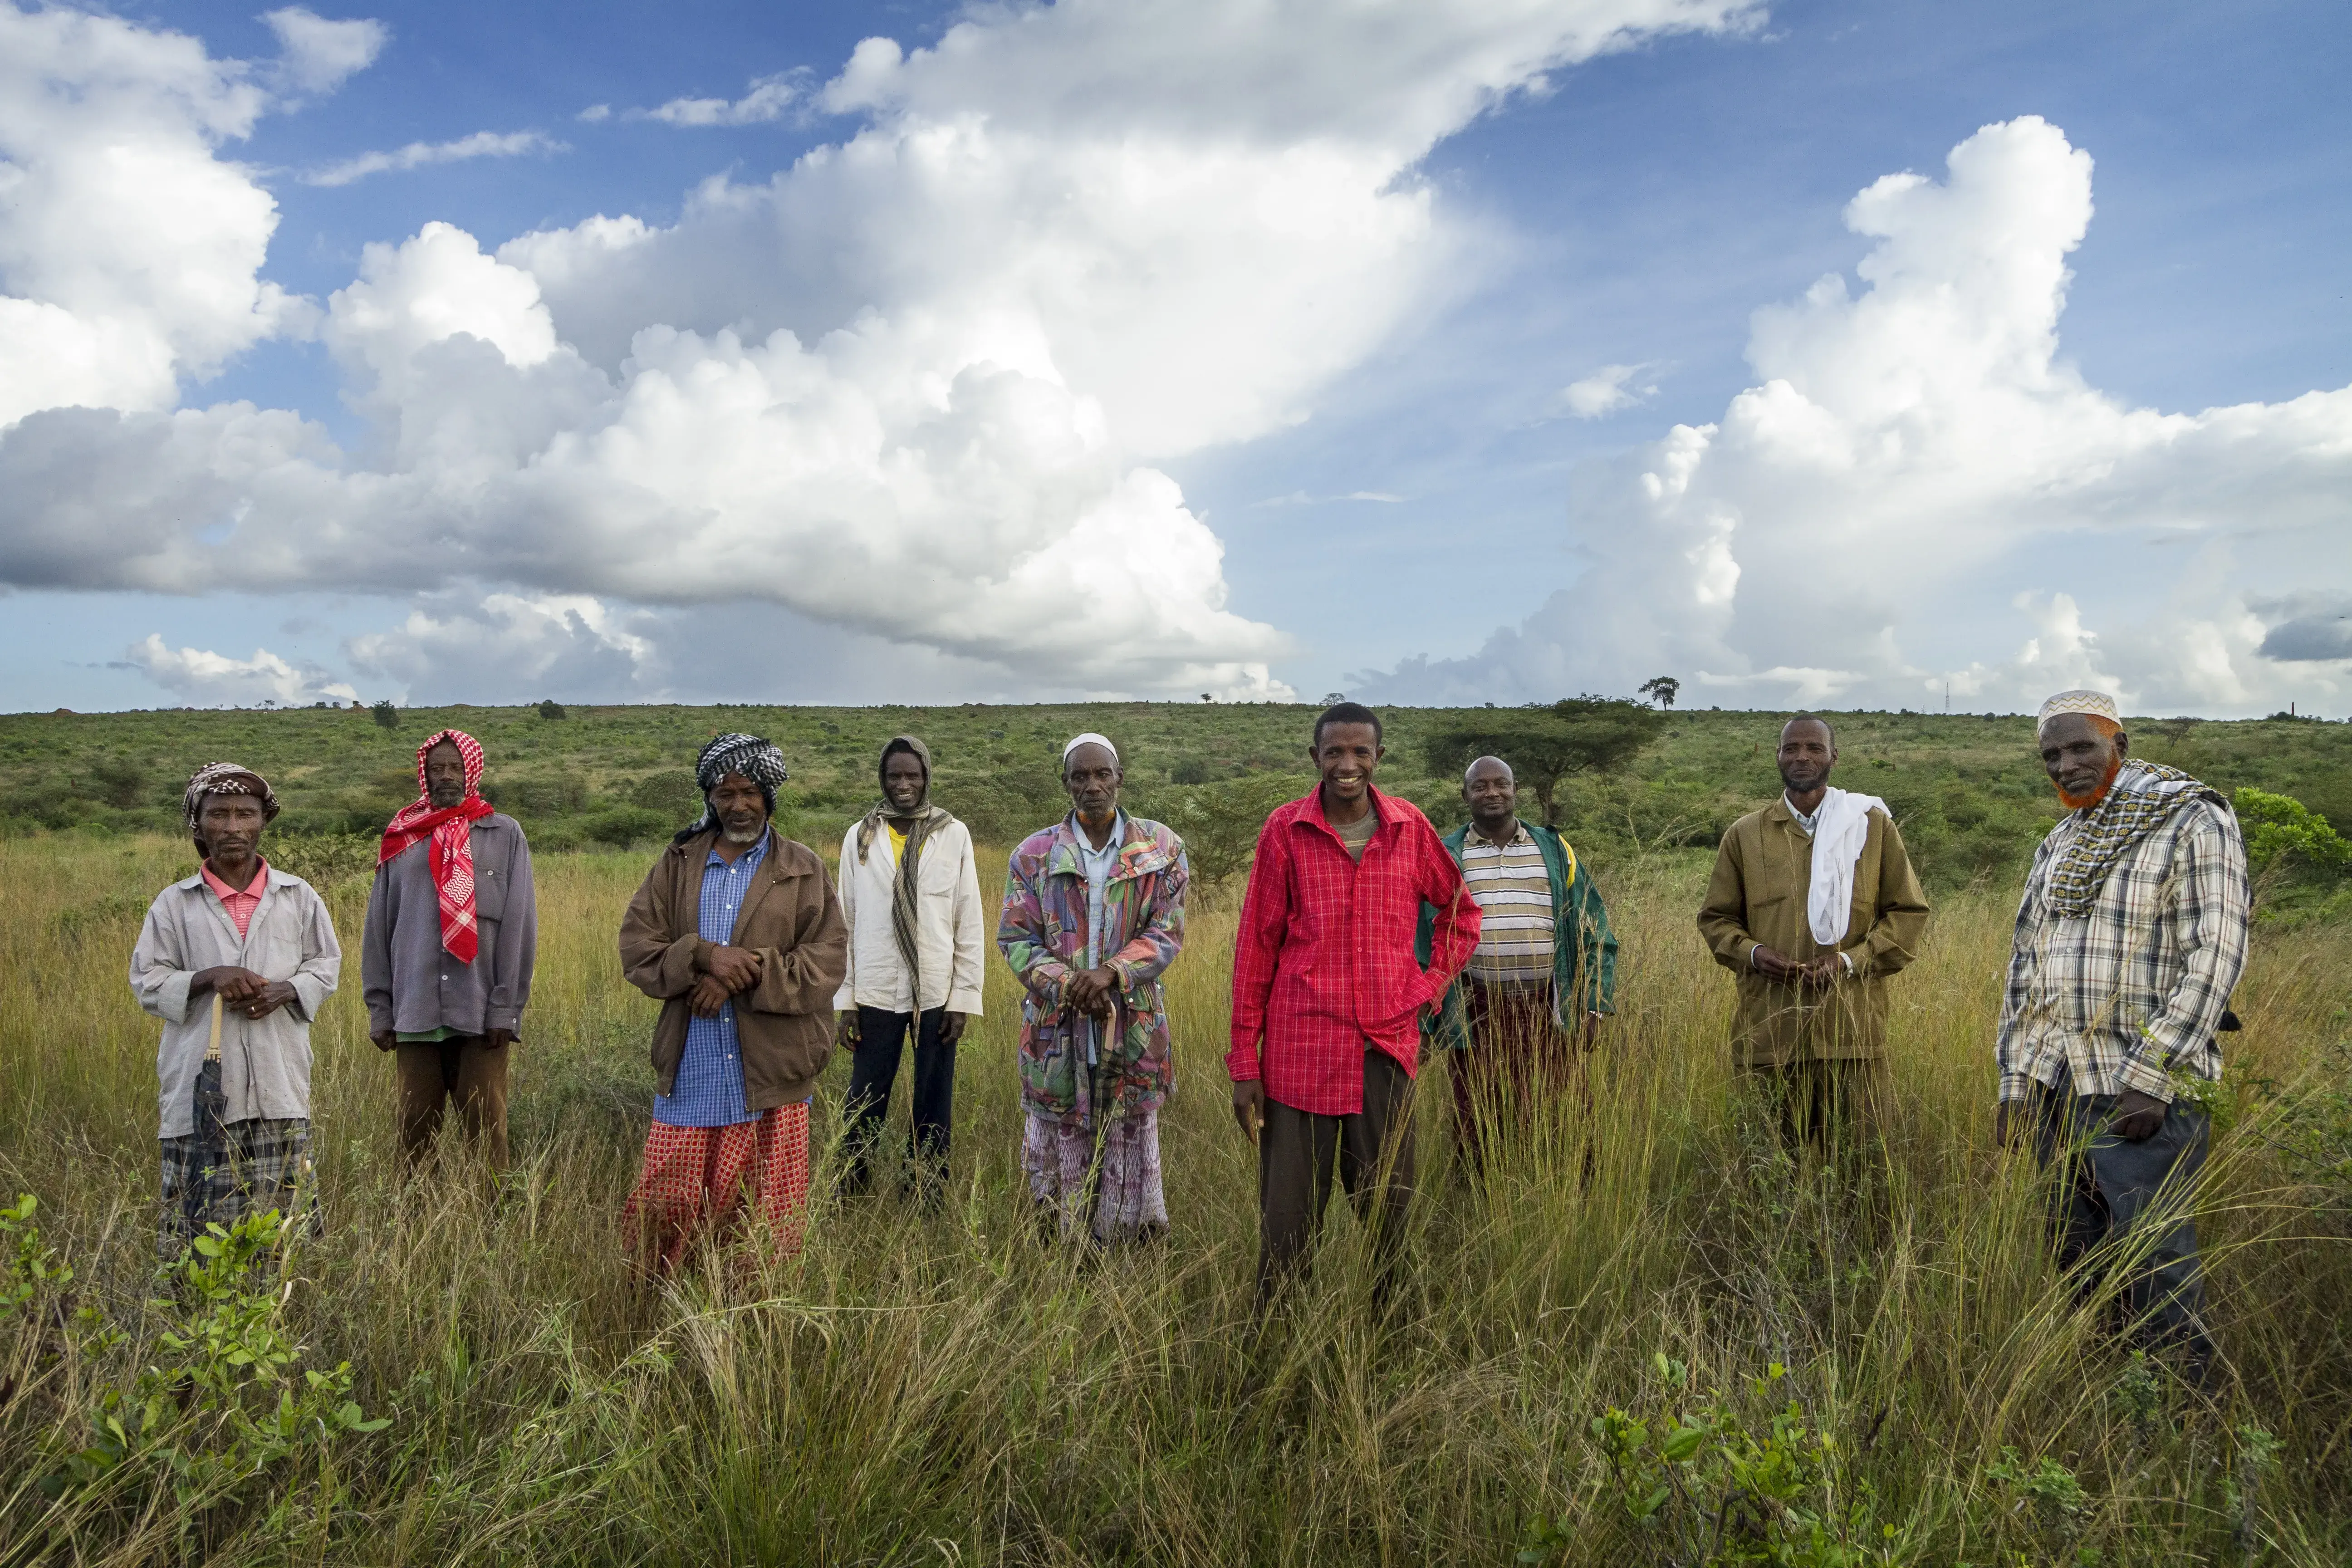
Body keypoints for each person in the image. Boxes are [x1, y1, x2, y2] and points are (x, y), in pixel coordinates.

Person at [1996, 690, 2247, 1382]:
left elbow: (2216, 953)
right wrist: (2016, 1086)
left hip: (2138, 1091)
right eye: (2053, 755)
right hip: (2057, 1083)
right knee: (2079, 1259)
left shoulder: (2191, 818)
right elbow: (2026, 970)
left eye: (2082, 747)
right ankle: (2115, 1398)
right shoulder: (2061, 842)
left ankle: (2185, 1421)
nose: (2067, 765)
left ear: (2120, 745)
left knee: (2153, 1263)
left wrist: (2153, 1074)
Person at [1230, 702, 1480, 1304]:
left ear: (1378, 757)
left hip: (1384, 1052)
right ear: (1315, 758)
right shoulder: (1284, 830)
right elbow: (1255, 950)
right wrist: (1245, 1065)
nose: (1348, 765)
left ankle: (1391, 1349)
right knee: (1288, 1228)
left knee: (1390, 1216)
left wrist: (1424, 989)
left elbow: (1460, 915)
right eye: (1334, 753)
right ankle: (1280, 1349)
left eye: (1360, 752)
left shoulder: (1409, 828)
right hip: (1298, 1058)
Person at [617, 734, 847, 1271]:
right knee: (665, 1210)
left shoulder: (803, 867)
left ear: (769, 795)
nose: (738, 805)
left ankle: (750, 1333)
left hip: (772, 1072)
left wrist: (745, 972)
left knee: (763, 1224)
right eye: (725, 793)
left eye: (750, 792)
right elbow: (637, 948)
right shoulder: (678, 863)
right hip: (692, 1068)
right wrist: (702, 954)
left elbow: (828, 961)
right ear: (710, 798)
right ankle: (656, 1315)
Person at [131, 764, 340, 1259]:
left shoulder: (298, 896)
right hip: (202, 1095)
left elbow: (326, 966)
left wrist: (287, 990)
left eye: (245, 814)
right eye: (218, 815)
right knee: (197, 1241)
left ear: (263, 821)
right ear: (198, 825)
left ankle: (274, 1330)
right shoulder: (174, 905)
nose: (232, 827)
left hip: (279, 1086)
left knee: (281, 1241)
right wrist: (210, 977)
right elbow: (147, 982)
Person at [1696, 716, 1931, 1155]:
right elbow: (1716, 920)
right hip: (1770, 1037)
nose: (1802, 757)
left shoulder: (1871, 827)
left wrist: (1848, 962)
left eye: (1814, 748)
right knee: (1768, 1172)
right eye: (1792, 748)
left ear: (1834, 758)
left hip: (1852, 1037)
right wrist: (1754, 954)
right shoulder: (1745, 836)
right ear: (1778, 757)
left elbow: (1909, 915)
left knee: (1861, 1175)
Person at [999, 733, 1189, 1244]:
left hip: (1132, 1024)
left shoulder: (1161, 848)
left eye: (1102, 774)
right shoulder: (1034, 854)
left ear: (1119, 778)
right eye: (1080, 777)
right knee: (1061, 1135)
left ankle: (1128, 1248)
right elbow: (1017, 938)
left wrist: (1111, 974)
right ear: (1066, 784)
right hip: (1056, 1032)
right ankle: (1065, 1249)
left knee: (1128, 1132)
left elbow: (1166, 932)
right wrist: (1068, 984)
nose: (1092, 786)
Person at [1419, 755, 1618, 1175]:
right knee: (1478, 1112)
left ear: (1515, 789)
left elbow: (1593, 927)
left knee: (1565, 1106)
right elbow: (1425, 936)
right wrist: (1424, 1017)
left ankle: (1572, 1197)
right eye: (1480, 786)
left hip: (1550, 1004)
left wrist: (1596, 1002)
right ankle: (1484, 1201)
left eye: (1501, 784)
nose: (1492, 793)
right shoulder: (1446, 852)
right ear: (1465, 795)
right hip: (1476, 1008)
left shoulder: (1555, 850)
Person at [363, 729, 537, 1174]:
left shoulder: (505, 834)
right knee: (413, 1131)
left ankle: (490, 1232)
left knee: (487, 1132)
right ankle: (416, 1232)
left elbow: (520, 927)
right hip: (416, 1010)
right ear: (424, 773)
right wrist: (381, 1011)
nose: (446, 776)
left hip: (481, 1012)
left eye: (455, 767)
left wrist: (506, 1009)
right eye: (436, 768)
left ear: (472, 772)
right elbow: (379, 929)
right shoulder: (401, 836)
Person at [833, 735, 985, 1196]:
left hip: (937, 992)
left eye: (912, 775)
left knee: (933, 1101)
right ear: (883, 778)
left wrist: (962, 998)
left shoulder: (953, 833)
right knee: (865, 1099)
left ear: (926, 778)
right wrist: (846, 1001)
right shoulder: (861, 836)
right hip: (875, 991)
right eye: (895, 775)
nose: (904, 784)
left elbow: (968, 916)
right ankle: (852, 1191)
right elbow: (845, 921)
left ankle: (925, 1193)